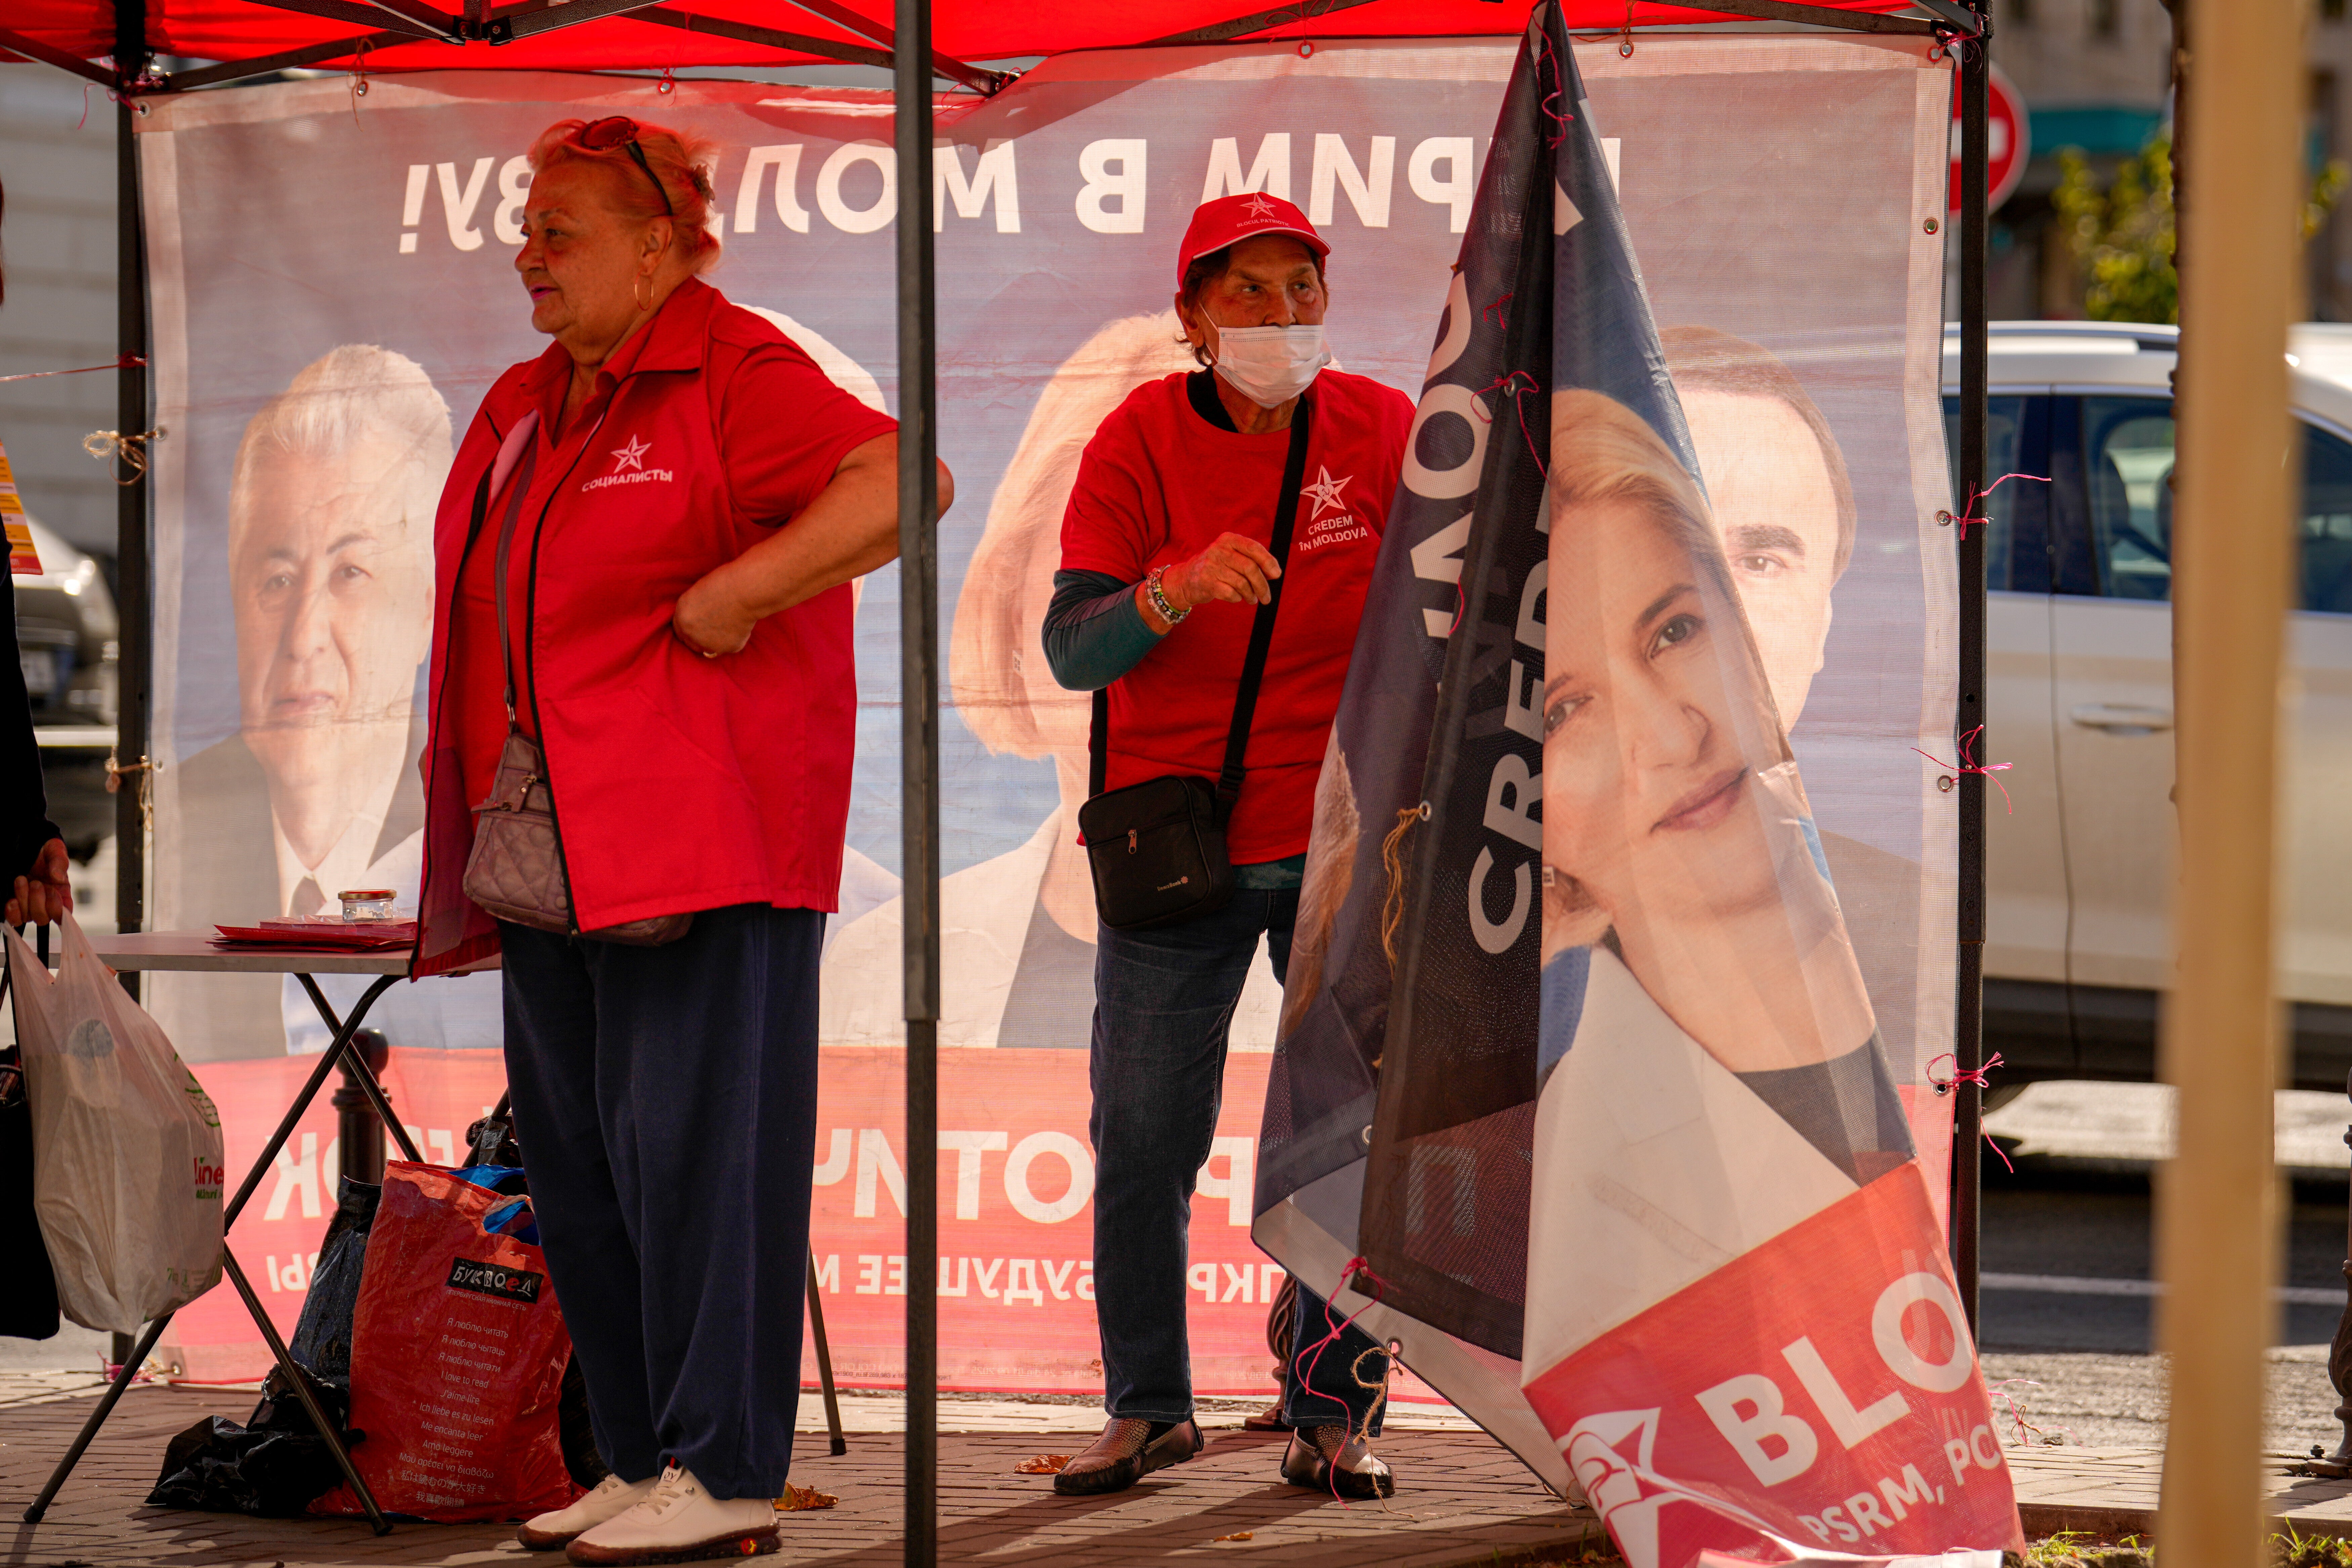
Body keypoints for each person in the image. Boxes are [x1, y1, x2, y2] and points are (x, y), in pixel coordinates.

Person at [409, 116, 948, 1566]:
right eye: (525, 223)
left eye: (561, 226)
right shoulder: (535, 398)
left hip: (709, 845)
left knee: (702, 1164)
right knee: (579, 1165)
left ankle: (725, 1473)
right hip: (555, 847)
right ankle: (640, 1454)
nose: (530, 248)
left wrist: (742, 593)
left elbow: (905, 481)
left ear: (662, 247)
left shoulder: (731, 367)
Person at [1043, 193, 1410, 1500]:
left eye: (1299, 288)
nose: (1277, 315)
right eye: (1245, 292)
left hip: (1340, 845)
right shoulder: (1137, 437)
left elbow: (1449, 609)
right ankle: (1148, 1407)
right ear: (1192, 317)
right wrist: (1172, 586)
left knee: (1346, 1138)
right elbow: (1071, 647)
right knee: (1143, 1137)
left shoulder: (1380, 429)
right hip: (1174, 846)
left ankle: (1331, 1412)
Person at [1522, 389, 1913, 1380]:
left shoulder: (1923, 941)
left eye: (1676, 630)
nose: (1670, 733)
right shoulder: (1534, 1097)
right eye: (1567, 705)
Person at [819, 310, 1284, 1049]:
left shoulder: (1358, 949)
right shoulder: (884, 961)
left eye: (1202, 550)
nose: (1158, 600)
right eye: (1113, 533)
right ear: (1011, 591)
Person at [172, 344, 491, 1056]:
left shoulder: (474, 836)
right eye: (277, 578)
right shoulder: (181, 823)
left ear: (425, 615)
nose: (303, 636)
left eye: (352, 571)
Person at [1660, 325, 1919, 1063]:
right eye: (1672, 544)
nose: (1718, 608)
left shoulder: (1901, 929)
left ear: (1823, 623)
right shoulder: (1438, 915)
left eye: (1761, 560)